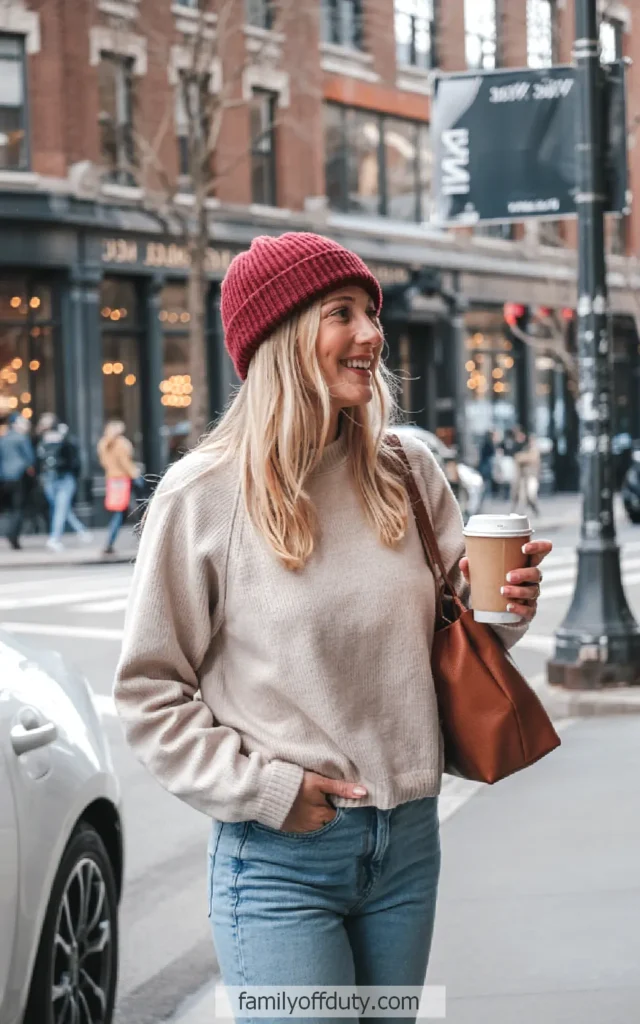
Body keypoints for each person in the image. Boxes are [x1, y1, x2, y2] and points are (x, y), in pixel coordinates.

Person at [113, 232, 552, 1013]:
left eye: (370, 314)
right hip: (280, 854)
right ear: (279, 340)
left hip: (409, 843)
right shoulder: (202, 495)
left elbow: (454, 634)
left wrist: (505, 607)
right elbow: (150, 695)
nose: (371, 334)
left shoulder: (407, 473)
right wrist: (268, 789)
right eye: (340, 313)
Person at [35, 412, 91, 552]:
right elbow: (37, 458)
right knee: (61, 508)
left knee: (60, 508)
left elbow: (73, 455)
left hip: (64, 478)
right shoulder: (40, 439)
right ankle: (81, 530)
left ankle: (55, 538)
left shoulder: (65, 438)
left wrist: (64, 436)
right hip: (49, 478)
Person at [97, 420, 140, 555]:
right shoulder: (121, 443)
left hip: (112, 479)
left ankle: (110, 543)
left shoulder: (103, 444)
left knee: (120, 511)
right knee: (134, 509)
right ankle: (110, 542)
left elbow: (104, 463)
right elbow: (125, 462)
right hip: (125, 479)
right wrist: (135, 474)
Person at [0, 412, 35, 550]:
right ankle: (13, 535)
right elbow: (30, 458)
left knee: (8, 508)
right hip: (19, 477)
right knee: (18, 508)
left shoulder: (4, 438)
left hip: (5, 478)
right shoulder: (21, 438)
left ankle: (10, 533)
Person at [511, 428, 541, 516]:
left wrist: (521, 457)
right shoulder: (526, 448)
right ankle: (521, 511)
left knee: (531, 495)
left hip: (533, 475)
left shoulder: (535, 450)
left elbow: (530, 458)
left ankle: (535, 509)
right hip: (525, 476)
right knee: (523, 495)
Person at [478, 429, 496, 501]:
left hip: (484, 465)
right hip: (486, 465)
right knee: (487, 481)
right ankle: (486, 495)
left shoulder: (484, 443)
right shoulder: (489, 443)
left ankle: (485, 495)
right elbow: (491, 453)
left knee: (485, 481)